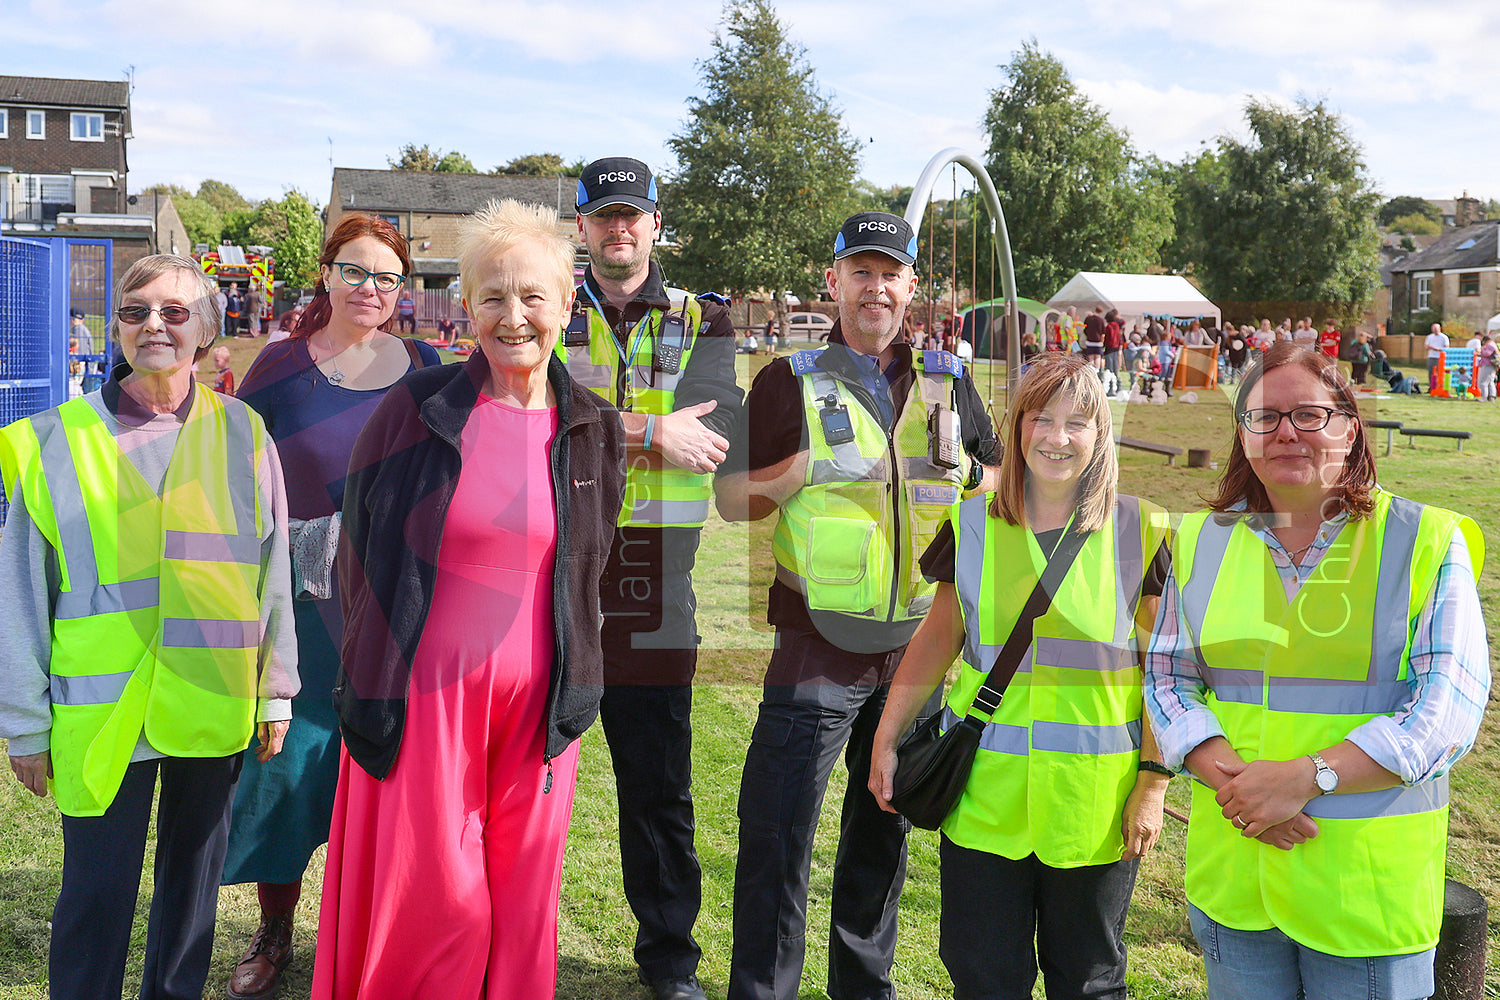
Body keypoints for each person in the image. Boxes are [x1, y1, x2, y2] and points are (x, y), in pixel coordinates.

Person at [311, 199, 626, 999]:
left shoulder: (592, 427)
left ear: (566, 305)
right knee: (438, 904)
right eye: (492, 296)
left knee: (521, 906)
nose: (512, 316)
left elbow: (586, 563)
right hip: (426, 704)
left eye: (531, 297)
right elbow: (360, 554)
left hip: (539, 712)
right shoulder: (415, 410)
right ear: (466, 307)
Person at [1145, 341, 1489, 1000]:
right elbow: (1167, 679)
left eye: (1308, 414)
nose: (1285, 433)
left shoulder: (1423, 540)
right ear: (1243, 435)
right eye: (1264, 418)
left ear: (1350, 425)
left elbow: (1446, 712)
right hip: (1239, 880)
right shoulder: (1198, 541)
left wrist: (1309, 777)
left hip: (1364, 898)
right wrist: (1246, 794)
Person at [716, 211, 997, 1000]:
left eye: (891, 272)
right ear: (833, 281)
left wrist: (968, 479)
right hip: (817, 644)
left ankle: (862, 988)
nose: (876, 287)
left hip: (916, 650)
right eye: (861, 272)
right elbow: (731, 501)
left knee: (882, 831)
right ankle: (763, 989)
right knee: (779, 834)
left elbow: (1003, 484)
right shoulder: (786, 378)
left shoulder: (948, 378)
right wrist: (792, 472)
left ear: (912, 285)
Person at [0, 253, 298, 1000]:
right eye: (135, 311)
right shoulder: (53, 441)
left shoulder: (245, 433)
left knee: (191, 902)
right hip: (100, 715)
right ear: (116, 328)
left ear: (206, 326)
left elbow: (272, 571)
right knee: (96, 897)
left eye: (174, 311)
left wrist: (276, 692)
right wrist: (24, 725)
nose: (154, 325)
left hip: (211, 702)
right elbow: (20, 596)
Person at [869, 352, 1172, 999]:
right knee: (984, 979)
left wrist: (1152, 784)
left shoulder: (1141, 532)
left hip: (1094, 809)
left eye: (1077, 423)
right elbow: (934, 643)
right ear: (1018, 426)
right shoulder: (972, 524)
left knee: (1087, 981)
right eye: (1041, 419)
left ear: (1100, 436)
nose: (1057, 438)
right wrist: (886, 738)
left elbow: (1166, 676)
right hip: (984, 799)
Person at [220, 215, 441, 1000]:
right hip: (301, 608)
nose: (371, 289)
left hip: (395, 607)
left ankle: (375, 928)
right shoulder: (279, 367)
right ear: (325, 273)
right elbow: (229, 467)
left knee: (385, 771)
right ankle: (276, 927)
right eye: (355, 271)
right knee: (285, 774)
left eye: (387, 277)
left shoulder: (426, 365)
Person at [559, 157, 742, 1000]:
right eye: (603, 216)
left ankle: (669, 961)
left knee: (657, 788)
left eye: (632, 215)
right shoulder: (545, 307)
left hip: (654, 581)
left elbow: (717, 429)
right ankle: (497, 941)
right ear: (584, 226)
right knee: (520, 775)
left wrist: (599, 429)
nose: (618, 229)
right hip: (552, 569)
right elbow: (530, 420)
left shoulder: (705, 319)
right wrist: (646, 428)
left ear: (656, 223)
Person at [1424, 322, 1449, 392]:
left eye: (1436, 329)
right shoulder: (1429, 337)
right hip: (1431, 356)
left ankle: (1440, 386)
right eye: (1433, 329)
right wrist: (1431, 347)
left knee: (1440, 373)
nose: (1435, 330)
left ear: (1439, 329)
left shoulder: (1444, 337)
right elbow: (1426, 346)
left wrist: (1438, 349)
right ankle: (1431, 387)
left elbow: (1447, 347)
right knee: (1431, 372)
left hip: (1440, 357)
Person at [1478, 334, 1497, 401]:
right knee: (1490, 381)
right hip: (1492, 364)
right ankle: (1491, 396)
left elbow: (1487, 353)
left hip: (1487, 364)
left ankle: (1484, 397)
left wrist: (1481, 350)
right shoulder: (1494, 344)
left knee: (1483, 382)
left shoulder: (1490, 345)